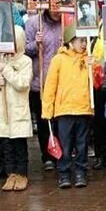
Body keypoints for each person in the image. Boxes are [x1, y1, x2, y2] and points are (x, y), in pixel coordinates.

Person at [42, 24, 94, 188]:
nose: (84, 44)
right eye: (80, 41)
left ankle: (81, 172)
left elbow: (96, 83)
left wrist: (94, 67)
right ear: (70, 42)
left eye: (85, 41)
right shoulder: (58, 59)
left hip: (83, 108)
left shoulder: (88, 59)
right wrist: (47, 109)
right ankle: (63, 173)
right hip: (63, 110)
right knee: (65, 144)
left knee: (82, 143)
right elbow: (50, 85)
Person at [0, 26, 33, 192]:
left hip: (18, 109)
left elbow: (22, 83)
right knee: (6, 144)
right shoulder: (0, 59)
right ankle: (11, 174)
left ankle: (22, 174)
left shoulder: (25, 61)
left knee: (19, 144)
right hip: (3, 109)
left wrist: (6, 71)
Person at [24, 10, 63, 171]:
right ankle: (47, 155)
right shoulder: (34, 22)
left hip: (63, 80)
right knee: (43, 120)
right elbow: (24, 49)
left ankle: (62, 153)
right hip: (41, 79)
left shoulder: (67, 21)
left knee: (61, 120)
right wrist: (35, 43)